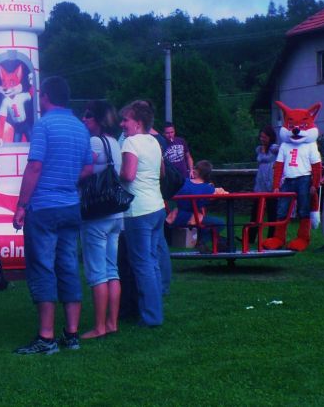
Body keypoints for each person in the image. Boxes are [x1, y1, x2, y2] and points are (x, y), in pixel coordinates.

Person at [12, 76, 92, 355]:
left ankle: (46, 338)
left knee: (42, 267)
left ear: (45, 96)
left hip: (44, 207)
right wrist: (66, 179)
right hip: (70, 206)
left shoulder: (44, 125)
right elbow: (88, 168)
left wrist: (21, 205)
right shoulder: (80, 127)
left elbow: (35, 167)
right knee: (68, 266)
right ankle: (71, 335)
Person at [77, 100, 123, 340]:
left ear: (98, 119)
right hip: (115, 213)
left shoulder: (95, 142)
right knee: (112, 270)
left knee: (97, 272)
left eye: (88, 116)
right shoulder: (115, 142)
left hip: (96, 213)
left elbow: (84, 169)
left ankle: (99, 327)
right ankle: (112, 323)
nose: (84, 119)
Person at [119, 100, 165, 328]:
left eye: (125, 120)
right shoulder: (154, 141)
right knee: (152, 261)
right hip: (157, 206)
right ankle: (155, 311)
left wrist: (113, 174)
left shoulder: (130, 142)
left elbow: (128, 175)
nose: (122, 124)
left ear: (137, 123)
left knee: (141, 264)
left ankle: (150, 317)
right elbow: (162, 172)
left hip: (138, 211)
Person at [167, 160, 228, 252]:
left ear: (195, 170)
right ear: (208, 174)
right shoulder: (208, 188)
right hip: (193, 217)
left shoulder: (183, 182)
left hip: (176, 216)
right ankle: (201, 241)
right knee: (220, 223)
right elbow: (224, 193)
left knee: (206, 222)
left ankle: (207, 242)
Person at [254, 125, 280, 241]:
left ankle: (271, 236)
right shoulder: (259, 149)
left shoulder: (274, 149)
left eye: (264, 137)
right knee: (256, 211)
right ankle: (251, 236)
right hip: (260, 182)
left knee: (271, 211)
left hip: (270, 181)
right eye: (261, 137)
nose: (262, 139)